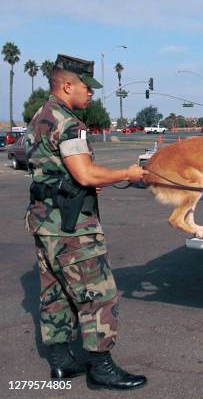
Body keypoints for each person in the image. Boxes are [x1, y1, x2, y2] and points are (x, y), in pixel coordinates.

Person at [25, 54, 149, 389]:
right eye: (86, 86)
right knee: (99, 293)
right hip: (72, 228)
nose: (91, 93)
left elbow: (51, 171)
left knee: (56, 294)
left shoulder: (40, 116)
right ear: (67, 86)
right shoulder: (67, 123)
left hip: (45, 223)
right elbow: (85, 173)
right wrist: (128, 172)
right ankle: (101, 367)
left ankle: (63, 362)